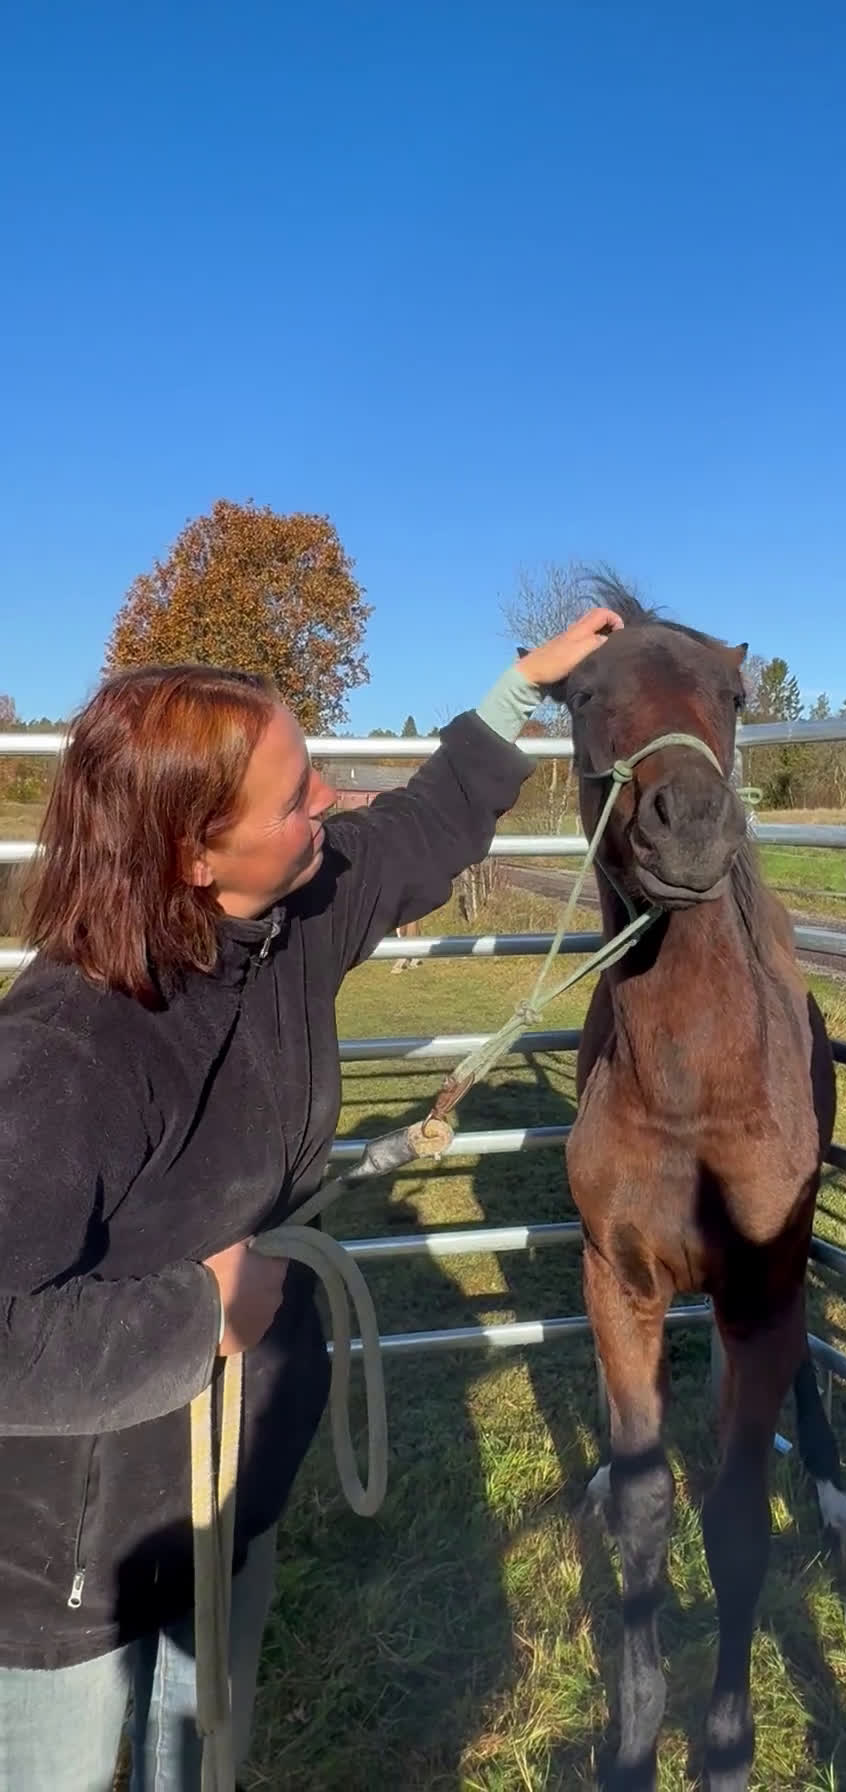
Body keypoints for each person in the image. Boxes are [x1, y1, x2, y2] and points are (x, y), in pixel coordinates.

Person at [0, 606, 621, 1792]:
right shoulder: (63, 1057)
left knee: (206, 1755)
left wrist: (518, 690)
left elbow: (422, 827)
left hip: (234, 1477)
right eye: (295, 796)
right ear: (194, 853)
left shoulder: (287, 922)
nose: (327, 802)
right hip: (67, 1560)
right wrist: (201, 1318)